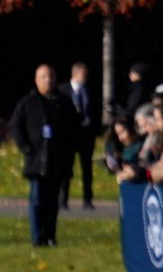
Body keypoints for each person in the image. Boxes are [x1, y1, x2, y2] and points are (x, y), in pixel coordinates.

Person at [9, 64, 80, 247]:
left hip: (58, 159)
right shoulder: (28, 102)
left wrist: (69, 149)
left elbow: (74, 128)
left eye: (51, 76)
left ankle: (50, 236)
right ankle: (37, 237)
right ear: (36, 79)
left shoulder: (64, 102)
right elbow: (15, 126)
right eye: (44, 77)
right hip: (36, 159)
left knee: (53, 201)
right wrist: (25, 146)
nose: (48, 80)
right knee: (37, 200)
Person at [64, 61, 99, 208]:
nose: (85, 77)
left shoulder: (89, 91)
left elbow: (94, 111)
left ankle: (87, 199)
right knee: (66, 168)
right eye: (83, 74)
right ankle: (63, 199)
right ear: (75, 74)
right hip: (69, 136)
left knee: (87, 169)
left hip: (86, 136)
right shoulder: (64, 91)